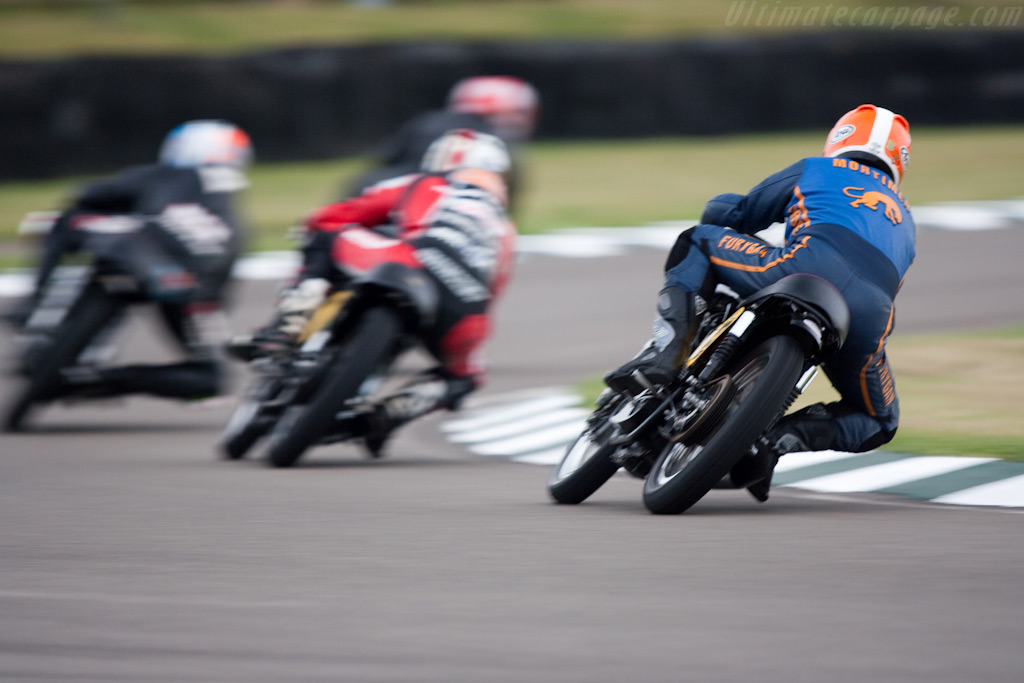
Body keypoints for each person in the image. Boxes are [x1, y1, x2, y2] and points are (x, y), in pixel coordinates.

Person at [604, 104, 915, 500]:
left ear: (840, 137)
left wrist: (717, 214)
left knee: (697, 240)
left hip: (799, 268)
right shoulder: (906, 217)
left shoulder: (816, 169)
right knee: (879, 421)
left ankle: (664, 356)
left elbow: (738, 212)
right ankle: (775, 442)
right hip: (869, 319)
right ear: (899, 160)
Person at [230, 128, 517, 455]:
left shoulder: (428, 183)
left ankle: (283, 329)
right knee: (467, 376)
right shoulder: (505, 227)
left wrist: (314, 225)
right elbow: (493, 289)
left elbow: (342, 214)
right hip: (464, 312)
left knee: (327, 234)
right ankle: (388, 415)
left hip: (409, 262)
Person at [7, 119, 252, 401]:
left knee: (63, 221)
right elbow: (227, 270)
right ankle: (112, 380)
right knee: (211, 379)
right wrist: (206, 304)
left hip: (135, 252)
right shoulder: (231, 205)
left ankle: (33, 302)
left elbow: (87, 194)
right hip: (189, 282)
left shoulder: (163, 174)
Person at [345, 75, 538, 213]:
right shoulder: (494, 144)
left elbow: (384, 161)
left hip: (377, 198)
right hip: (440, 211)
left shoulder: (425, 121)